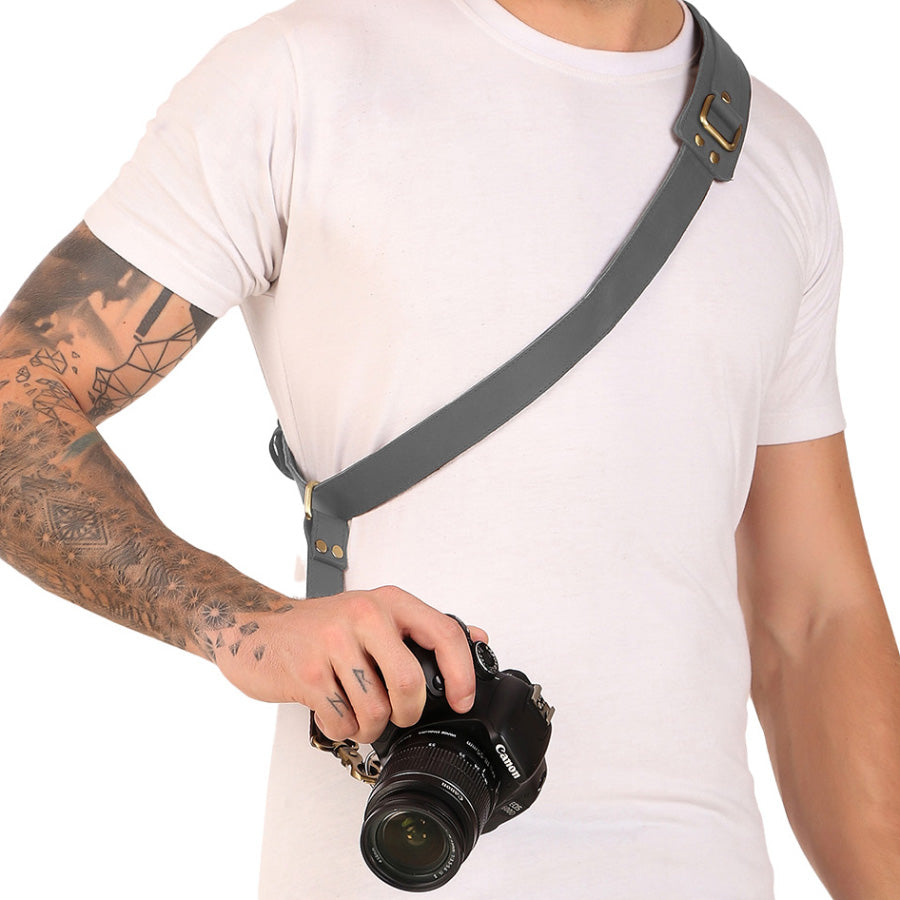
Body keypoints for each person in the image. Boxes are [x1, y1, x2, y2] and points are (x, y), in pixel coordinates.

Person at [1, 0, 898, 897]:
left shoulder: (775, 152)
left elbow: (815, 619)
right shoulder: (300, 78)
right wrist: (244, 625)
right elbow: (13, 412)